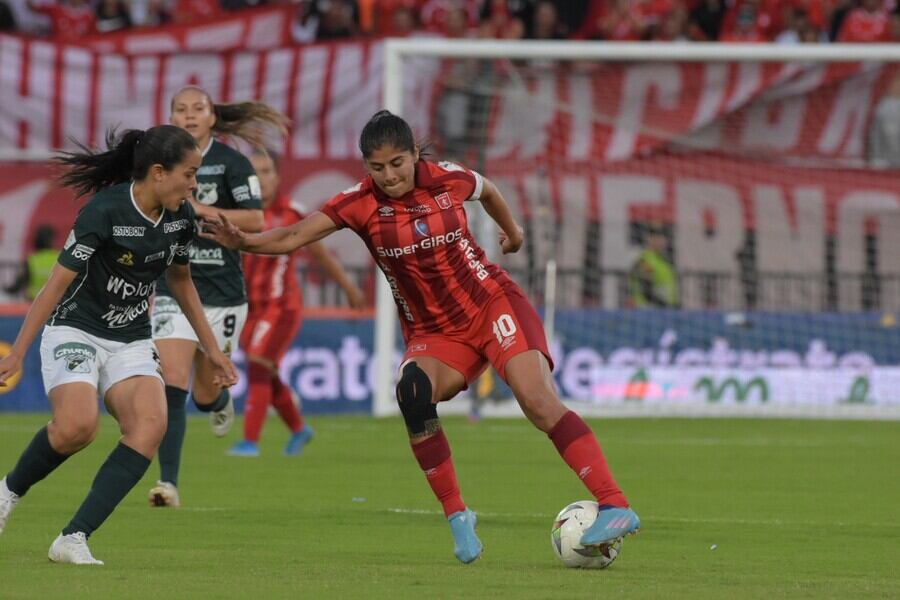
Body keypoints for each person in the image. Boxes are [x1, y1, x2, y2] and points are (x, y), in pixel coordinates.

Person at [202, 110, 640, 564]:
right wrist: (242, 241)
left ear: (414, 154)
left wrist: (513, 232)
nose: (389, 175)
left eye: (397, 163)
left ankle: (614, 503)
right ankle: (457, 516)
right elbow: (293, 235)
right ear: (366, 166)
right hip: (435, 333)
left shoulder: (447, 179)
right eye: (377, 167)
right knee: (412, 393)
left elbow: (488, 189)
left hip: (491, 304)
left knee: (536, 399)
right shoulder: (357, 203)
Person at [0, 125, 238, 565]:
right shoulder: (105, 211)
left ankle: (73, 538)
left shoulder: (181, 218)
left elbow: (181, 281)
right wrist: (16, 350)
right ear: (159, 172)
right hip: (75, 327)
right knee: (78, 426)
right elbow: (54, 286)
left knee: (150, 425)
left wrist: (213, 349)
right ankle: (8, 491)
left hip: (129, 336)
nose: (194, 184)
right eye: (190, 173)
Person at [148, 86, 288, 508]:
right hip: (173, 283)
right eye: (180, 108)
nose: (189, 114)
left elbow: (257, 218)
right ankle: (168, 483)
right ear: (171, 116)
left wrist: (200, 209)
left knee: (206, 392)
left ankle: (220, 401)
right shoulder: (159, 163)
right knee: (172, 379)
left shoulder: (232, 162)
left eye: (198, 108)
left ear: (212, 117)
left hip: (223, 292)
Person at [227, 148, 365, 458]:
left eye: (266, 171)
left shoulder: (292, 212)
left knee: (259, 365)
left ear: (277, 176)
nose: (260, 179)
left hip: (281, 306)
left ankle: (250, 441)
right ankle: (299, 429)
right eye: (254, 172)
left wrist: (347, 286)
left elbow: (321, 254)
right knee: (267, 372)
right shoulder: (239, 214)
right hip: (249, 307)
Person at [628, 222, 679, 308]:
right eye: (654, 237)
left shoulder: (665, 261)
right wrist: (665, 306)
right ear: (648, 239)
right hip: (646, 311)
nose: (659, 241)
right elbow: (646, 291)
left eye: (661, 237)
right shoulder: (645, 260)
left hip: (665, 313)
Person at [6, 225, 60, 301]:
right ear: (53, 240)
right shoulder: (60, 258)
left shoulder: (32, 259)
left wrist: (4, 288)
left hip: (33, 304)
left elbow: (17, 286)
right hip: (56, 305)